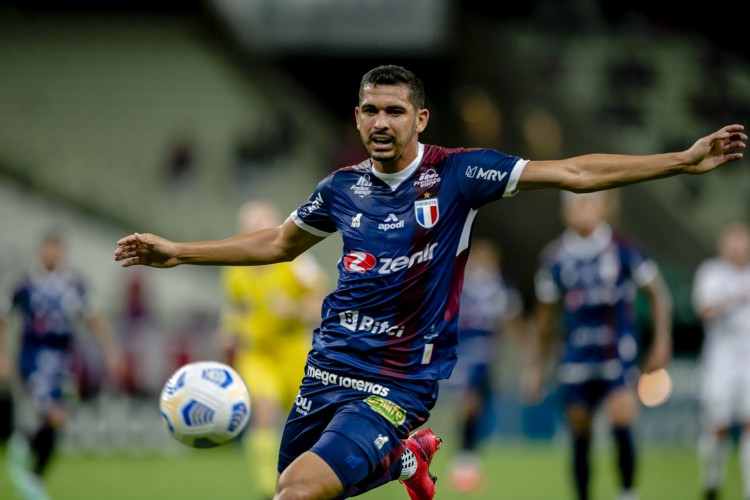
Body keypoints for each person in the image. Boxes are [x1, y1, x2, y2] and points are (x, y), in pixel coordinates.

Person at [113, 64, 745, 500]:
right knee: (292, 487)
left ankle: (400, 452)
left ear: (420, 118)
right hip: (326, 367)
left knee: (300, 491)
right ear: (356, 118)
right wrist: (179, 253)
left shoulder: (459, 177)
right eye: (370, 110)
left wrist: (680, 161)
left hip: (397, 380)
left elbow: (575, 171)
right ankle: (405, 459)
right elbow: (278, 243)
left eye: (394, 111)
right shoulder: (340, 189)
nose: (381, 122)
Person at [523, 190, 674, 500]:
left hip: (617, 354)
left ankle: (628, 493)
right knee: (580, 436)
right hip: (575, 360)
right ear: (566, 213)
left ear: (602, 207)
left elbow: (657, 295)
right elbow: (545, 319)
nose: (583, 209)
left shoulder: (624, 249)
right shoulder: (555, 257)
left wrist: (661, 341)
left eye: (589, 202)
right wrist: (536, 366)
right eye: (576, 204)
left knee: (622, 422)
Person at [0, 231, 123, 500]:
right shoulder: (25, 284)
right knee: (55, 415)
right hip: (34, 357)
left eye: (57, 249)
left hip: (64, 359)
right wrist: (3, 356)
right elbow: (3, 317)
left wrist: (111, 350)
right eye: (48, 248)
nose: (53, 254)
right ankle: (26, 457)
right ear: (39, 250)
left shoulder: (74, 284)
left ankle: (31, 467)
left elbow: (93, 318)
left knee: (60, 421)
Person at [219, 200, 326, 500]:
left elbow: (322, 305)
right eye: (252, 230)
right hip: (257, 354)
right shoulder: (236, 270)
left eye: (264, 228)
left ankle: (311, 481)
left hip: (295, 352)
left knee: (309, 423)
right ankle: (269, 489)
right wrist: (228, 330)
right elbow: (236, 309)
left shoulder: (299, 263)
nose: (259, 235)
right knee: (263, 413)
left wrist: (292, 309)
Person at [445, 238, 526, 493]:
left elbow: (513, 320)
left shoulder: (500, 287)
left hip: (488, 352)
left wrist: (525, 351)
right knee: (469, 402)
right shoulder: (461, 284)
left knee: (479, 404)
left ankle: (468, 456)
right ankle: (463, 456)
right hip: (464, 351)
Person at [692, 221, 750, 500]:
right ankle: (712, 479)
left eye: (742, 240)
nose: (738, 246)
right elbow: (703, 309)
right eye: (733, 240)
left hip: (749, 361)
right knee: (718, 426)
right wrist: (732, 300)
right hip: (720, 363)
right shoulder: (711, 273)